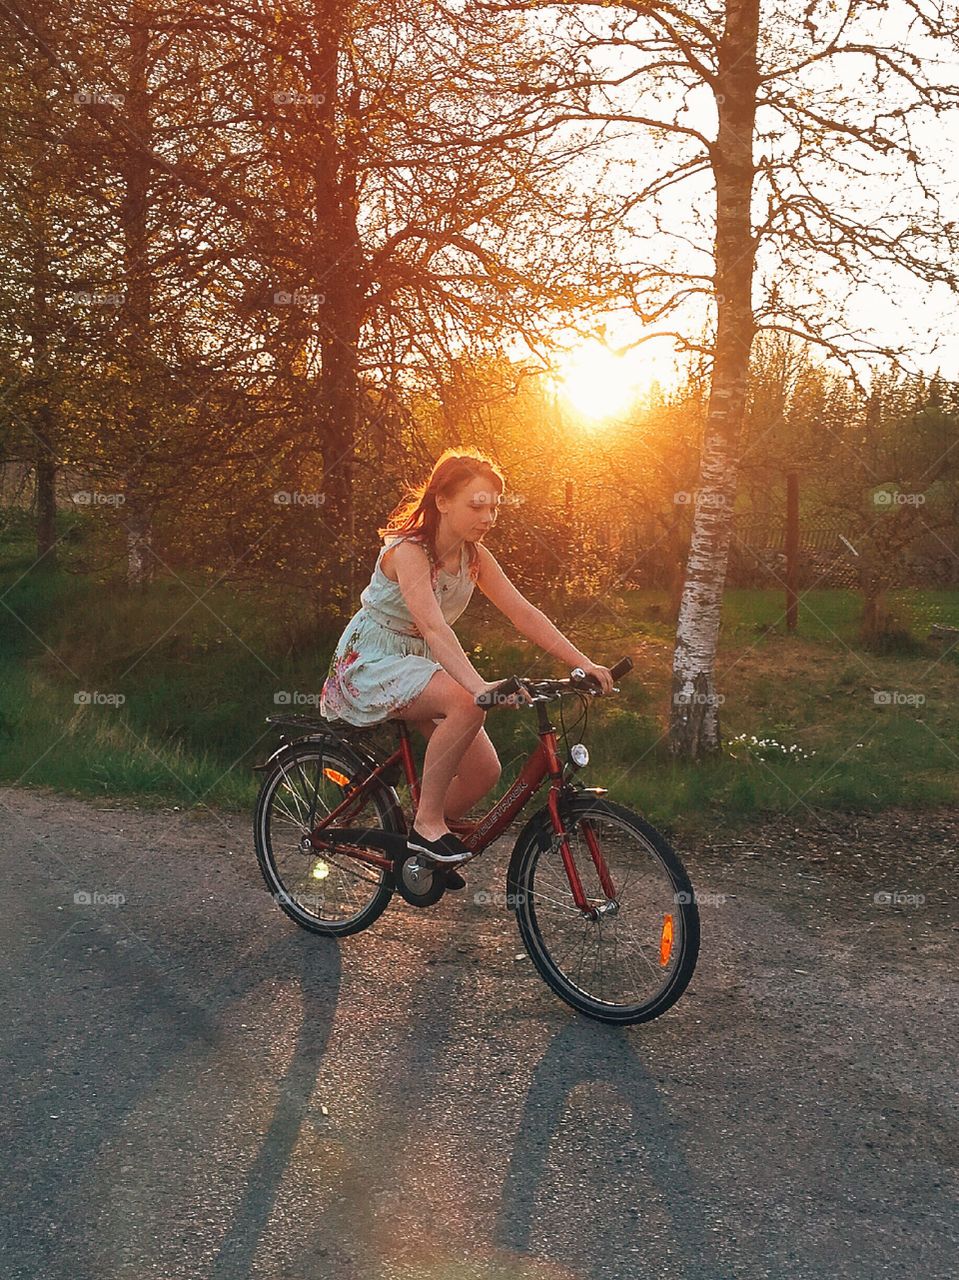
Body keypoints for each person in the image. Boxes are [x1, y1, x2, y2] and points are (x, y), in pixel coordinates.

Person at [319, 449, 614, 889]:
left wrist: (583, 662)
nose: (489, 516)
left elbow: (523, 613)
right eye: (477, 505)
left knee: (483, 773)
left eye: (494, 506)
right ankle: (426, 827)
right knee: (465, 702)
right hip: (372, 660)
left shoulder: (474, 557)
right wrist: (479, 688)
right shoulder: (408, 551)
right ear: (441, 501)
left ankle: (412, 849)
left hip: (419, 663)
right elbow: (434, 628)